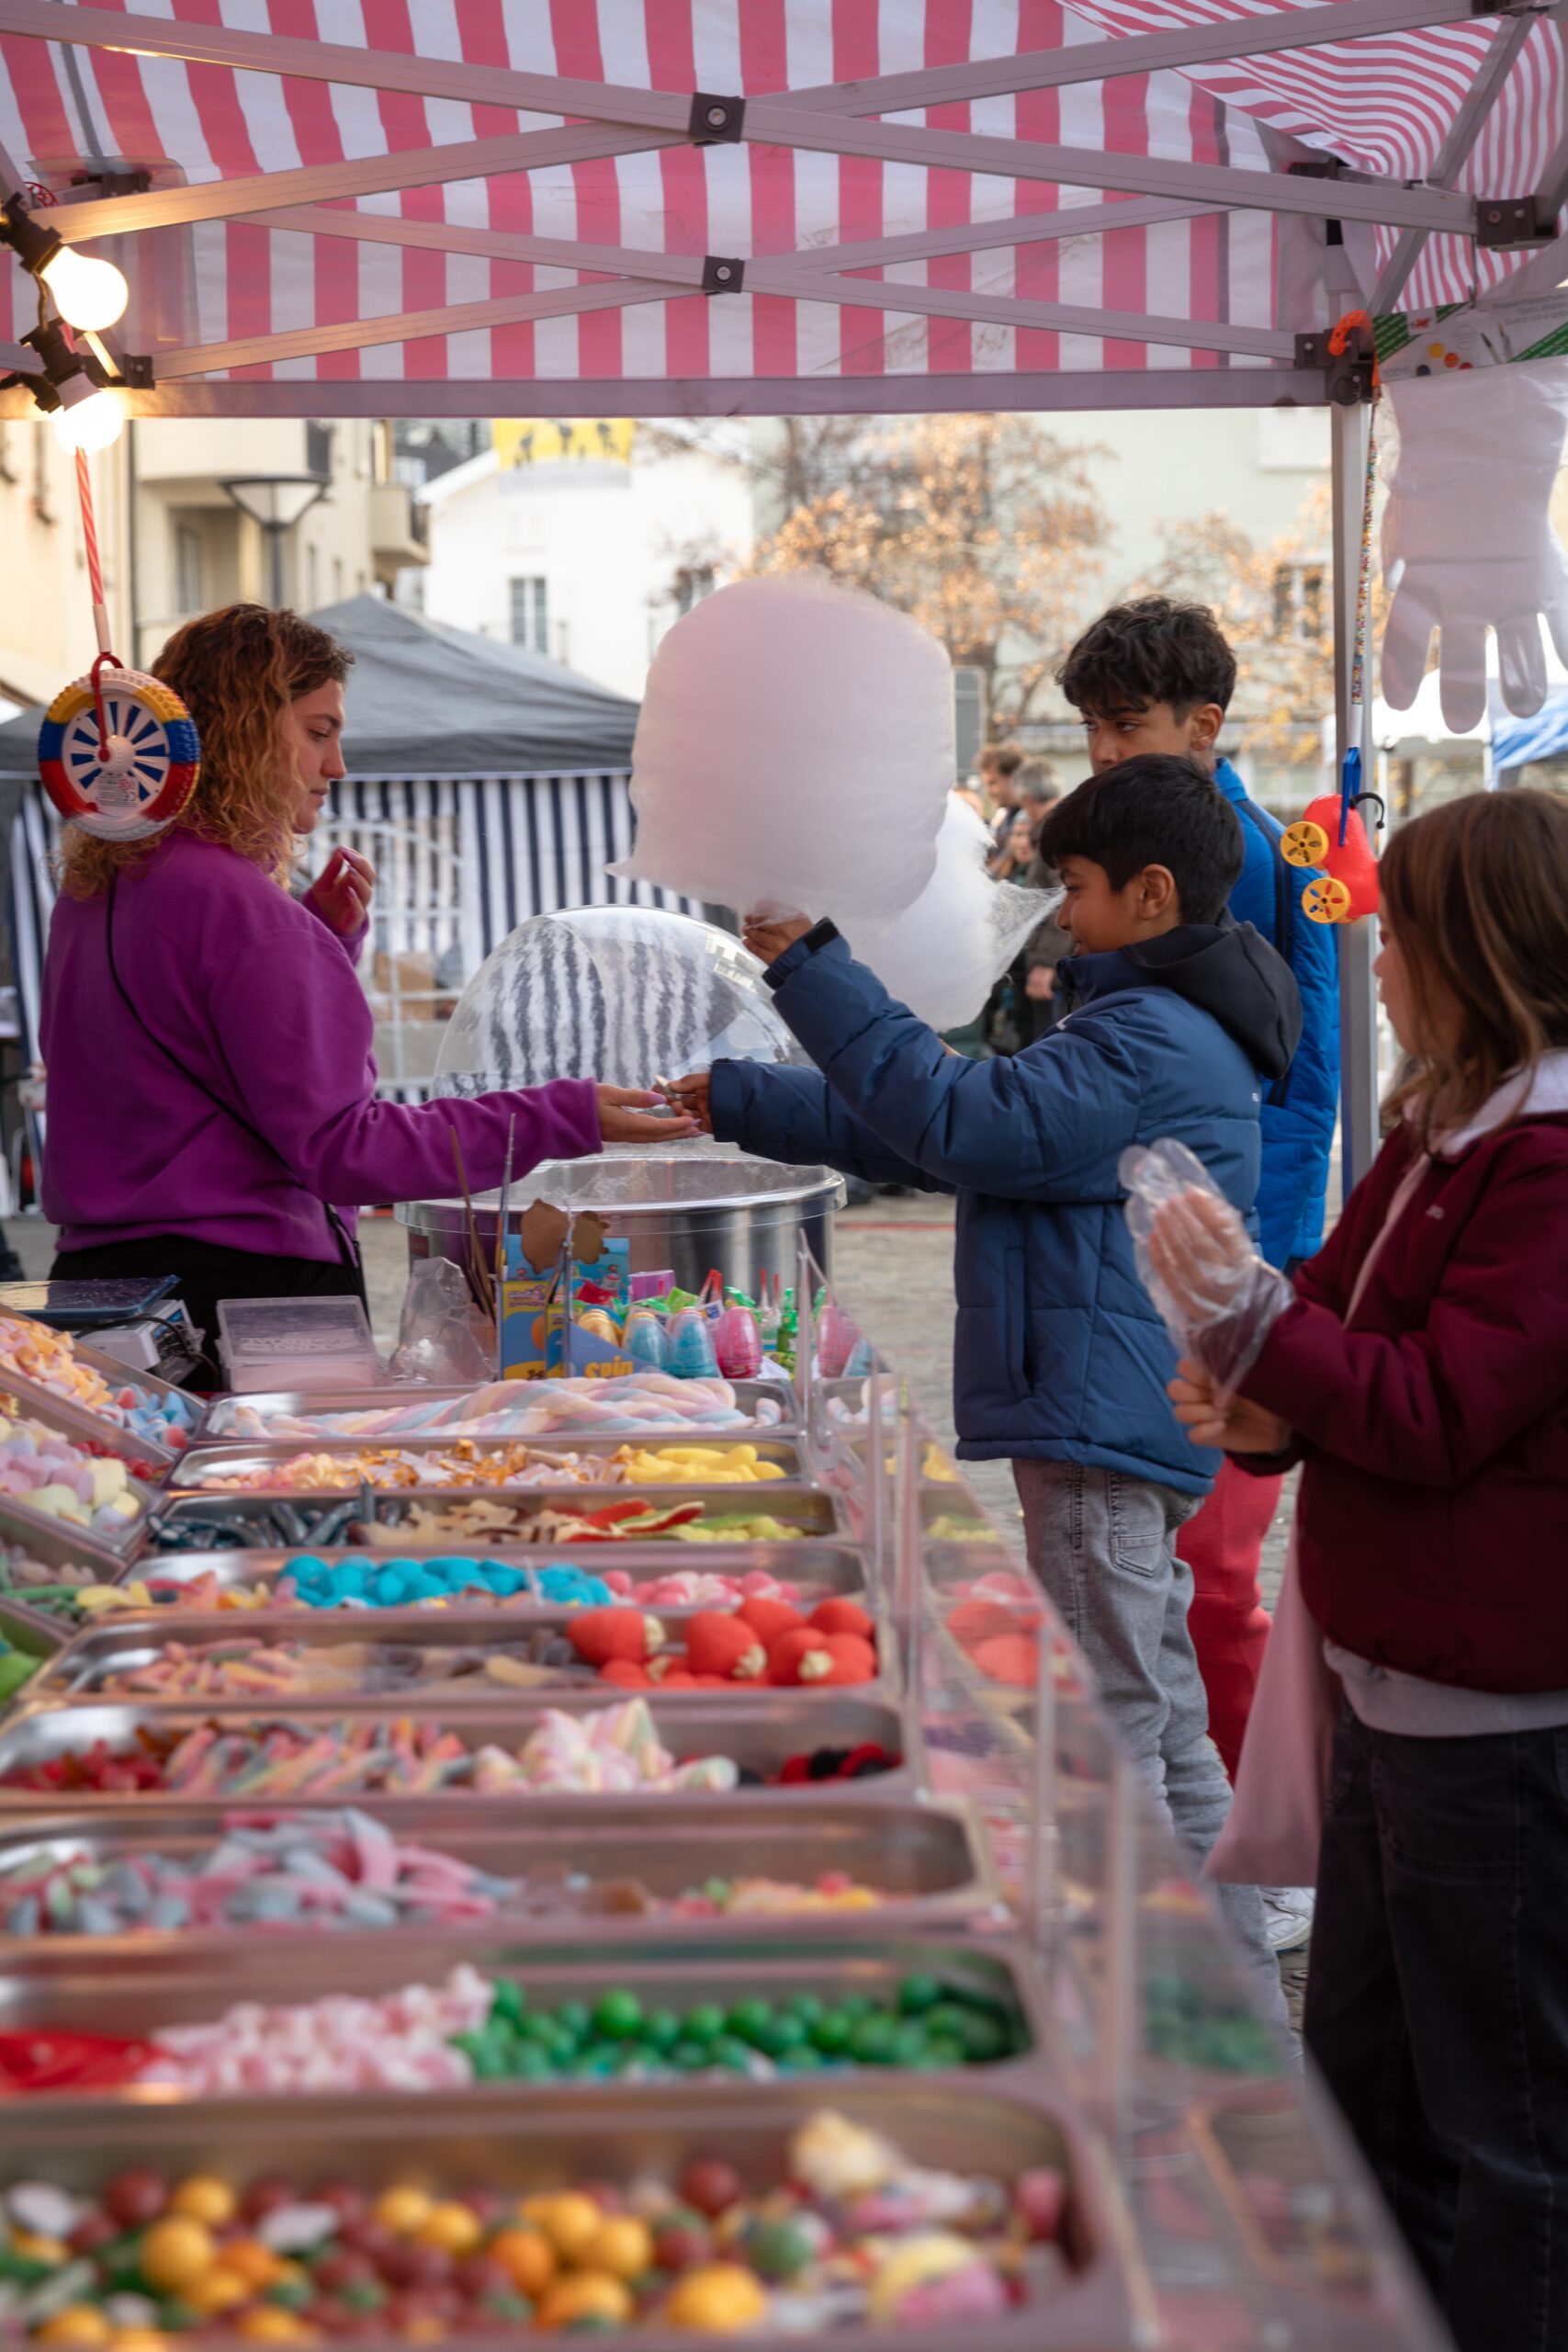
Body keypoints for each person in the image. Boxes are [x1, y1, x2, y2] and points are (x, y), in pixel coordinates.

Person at [668, 756, 1301, 2025]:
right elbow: (947, 1123)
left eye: (1074, 886)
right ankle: (1224, 2006)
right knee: (1164, 1730)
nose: (1058, 913)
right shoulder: (1151, 1022)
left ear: (1151, 892)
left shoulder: (1145, 1036)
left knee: (1112, 1726)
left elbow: (964, 1123)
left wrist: (812, 964)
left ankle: (1143, 2015)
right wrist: (735, 1098)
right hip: (1111, 1408)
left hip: (1099, 1417)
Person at [1150, 789, 1568, 2352]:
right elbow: (1330, 1333)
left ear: (1477, 947)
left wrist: (1260, 1338)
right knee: (1369, 2099)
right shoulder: (1435, 1134)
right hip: (1389, 1683)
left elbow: (1437, 1405)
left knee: (1510, 2133)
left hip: (1495, 1710)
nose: (1374, 961)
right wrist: (1255, 1404)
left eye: (1397, 931)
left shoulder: (1545, 1163)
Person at [40, 605, 690, 1378]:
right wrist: (559, 1114)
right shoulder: (246, 914)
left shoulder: (101, 890)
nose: (336, 766)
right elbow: (346, 1148)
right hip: (241, 1298)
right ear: (243, 732)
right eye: (318, 732)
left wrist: (319, 944)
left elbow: (185, 1064)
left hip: (99, 1292)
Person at [1058, 594, 1339, 1952]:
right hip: (1154, 1250)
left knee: (1210, 1576)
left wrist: (1249, 1284)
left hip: (1224, 1266)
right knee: (1172, 1581)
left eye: (1126, 724)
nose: (1104, 751)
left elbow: (1307, 1075)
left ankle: (1266, 1855)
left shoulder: (1271, 849)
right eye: (1093, 728)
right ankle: (1231, 1845)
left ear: (1201, 725)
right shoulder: (1135, 830)